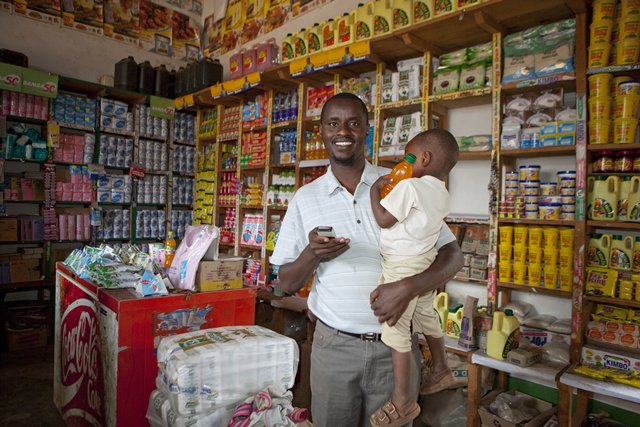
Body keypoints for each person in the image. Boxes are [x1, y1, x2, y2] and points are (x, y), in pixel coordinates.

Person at [269, 92, 463, 427]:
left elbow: (453, 255)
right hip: (334, 349)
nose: (343, 131)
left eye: (353, 123)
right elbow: (285, 284)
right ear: (322, 132)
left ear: (367, 130)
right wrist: (312, 254)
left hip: (396, 354)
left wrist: (407, 287)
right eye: (333, 123)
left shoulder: (401, 181)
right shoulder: (306, 198)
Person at [369, 129, 460, 427]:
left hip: (401, 265)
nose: (404, 164)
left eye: (409, 157)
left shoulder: (410, 188)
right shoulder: (443, 194)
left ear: (425, 158)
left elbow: (384, 218)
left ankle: (403, 401)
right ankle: (442, 368)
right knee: (425, 314)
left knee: (396, 328)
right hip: (424, 262)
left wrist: (375, 191)